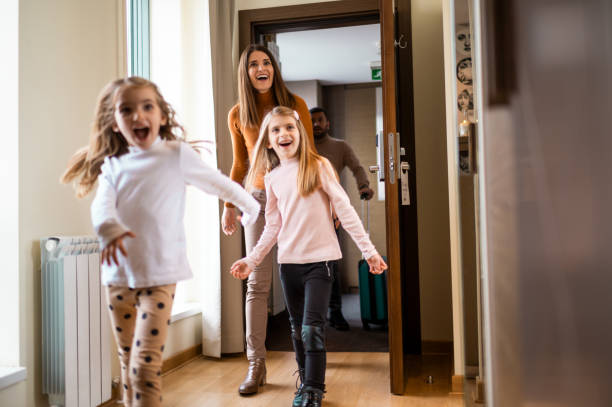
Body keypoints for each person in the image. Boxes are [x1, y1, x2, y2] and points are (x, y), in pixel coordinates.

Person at [60, 76, 260, 407]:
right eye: (127, 110)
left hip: (160, 278)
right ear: (114, 122)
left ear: (162, 116)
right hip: (118, 282)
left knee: (143, 370)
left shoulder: (175, 156)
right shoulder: (113, 165)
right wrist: (108, 228)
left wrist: (249, 205)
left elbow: (218, 184)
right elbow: (102, 206)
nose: (138, 116)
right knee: (128, 367)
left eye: (147, 107)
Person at [230, 106, 387, 407]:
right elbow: (273, 225)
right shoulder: (273, 177)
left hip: (321, 261)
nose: (283, 134)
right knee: (296, 328)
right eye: (275, 130)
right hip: (288, 264)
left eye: (288, 127)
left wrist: (369, 251)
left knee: (312, 327)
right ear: (268, 140)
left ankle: (314, 391)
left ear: (299, 132)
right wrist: (252, 259)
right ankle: (304, 383)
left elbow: (344, 209)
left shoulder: (319, 165)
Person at [222, 44, 314, 396]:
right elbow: (240, 166)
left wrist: (323, 202)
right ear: (245, 73)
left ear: (274, 68)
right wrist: (229, 203)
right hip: (257, 200)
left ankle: (307, 367)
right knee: (256, 284)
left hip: (295, 198)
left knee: (302, 279)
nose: (261, 68)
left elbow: (310, 156)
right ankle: (255, 365)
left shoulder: (296, 105)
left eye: (266, 63)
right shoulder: (237, 115)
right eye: (253, 65)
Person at [309, 107, 374, 331]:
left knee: (331, 263)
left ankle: (334, 312)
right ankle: (308, 314)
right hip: (304, 215)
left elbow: (357, 168)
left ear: (328, 124)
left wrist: (363, 186)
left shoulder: (340, 146)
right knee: (306, 265)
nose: (316, 124)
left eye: (320, 120)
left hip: (331, 213)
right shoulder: (302, 147)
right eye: (312, 121)